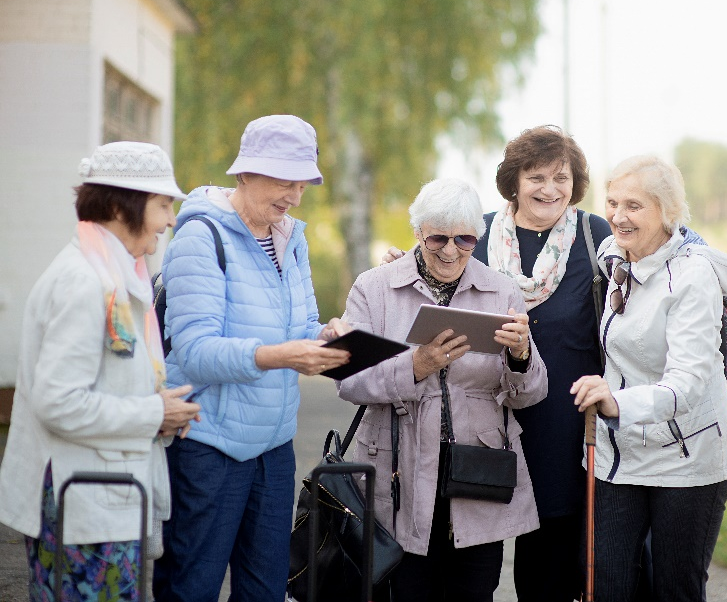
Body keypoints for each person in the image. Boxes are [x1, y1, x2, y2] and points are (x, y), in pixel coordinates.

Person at [383, 126, 612, 601]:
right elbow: (432, 263)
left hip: (559, 419)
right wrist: (394, 264)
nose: (549, 188)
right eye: (536, 176)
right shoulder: (478, 233)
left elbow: (651, 247)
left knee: (547, 558)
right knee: (469, 554)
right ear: (514, 181)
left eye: (561, 177)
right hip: (479, 416)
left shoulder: (594, 237)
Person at [151, 115, 351, 602]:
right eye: (284, 181)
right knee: (191, 586)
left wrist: (325, 336)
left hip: (273, 448)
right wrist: (281, 356)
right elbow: (196, 352)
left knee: (265, 591)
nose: (294, 197)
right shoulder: (201, 237)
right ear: (245, 174)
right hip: (208, 446)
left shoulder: (292, 239)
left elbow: (299, 328)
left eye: (302, 185)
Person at [0, 141, 201, 601]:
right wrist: (154, 413)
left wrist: (165, 413)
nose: (171, 219)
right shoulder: (83, 281)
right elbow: (59, 402)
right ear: (117, 205)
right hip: (80, 503)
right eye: (163, 204)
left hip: (100, 497)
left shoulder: (115, 273)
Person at [339, 177, 548, 602]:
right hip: (399, 470)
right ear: (418, 233)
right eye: (438, 238)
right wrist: (415, 366)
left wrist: (521, 355)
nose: (451, 251)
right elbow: (347, 379)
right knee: (407, 588)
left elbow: (531, 393)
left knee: (474, 589)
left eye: (465, 239)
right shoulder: (375, 287)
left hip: (476, 474)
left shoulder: (501, 290)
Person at [572, 154, 727, 601]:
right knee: (605, 585)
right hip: (618, 453)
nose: (618, 216)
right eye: (612, 203)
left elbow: (687, 383)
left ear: (667, 212)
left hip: (688, 456)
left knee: (674, 590)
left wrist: (616, 404)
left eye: (633, 205)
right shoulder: (613, 259)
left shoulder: (693, 277)